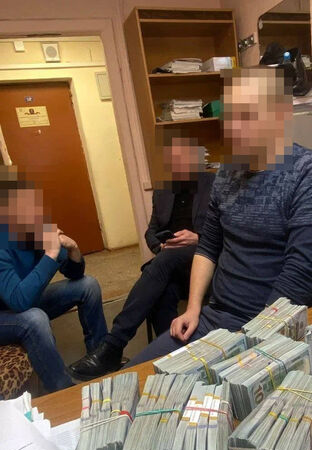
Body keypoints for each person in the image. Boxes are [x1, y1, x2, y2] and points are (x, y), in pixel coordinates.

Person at [121, 65, 312, 367]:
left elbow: (299, 275)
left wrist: (256, 340)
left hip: (269, 328)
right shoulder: (228, 170)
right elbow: (208, 246)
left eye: (246, 116)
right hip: (214, 319)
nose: (234, 128)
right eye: (230, 116)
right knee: (133, 374)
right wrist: (193, 308)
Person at [69, 137, 215, 380]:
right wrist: (160, 244)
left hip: (202, 256)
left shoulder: (213, 185)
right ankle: (176, 356)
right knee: (163, 290)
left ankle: (113, 345)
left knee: (163, 263)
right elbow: (151, 231)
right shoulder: (163, 190)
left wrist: (197, 238)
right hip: (172, 264)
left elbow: (223, 230)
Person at [0, 178, 108, 392]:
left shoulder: (34, 231)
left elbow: (75, 273)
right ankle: (63, 390)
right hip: (5, 313)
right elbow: (19, 302)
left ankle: (100, 358)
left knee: (88, 286)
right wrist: (50, 253)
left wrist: (73, 249)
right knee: (35, 318)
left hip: (25, 300)